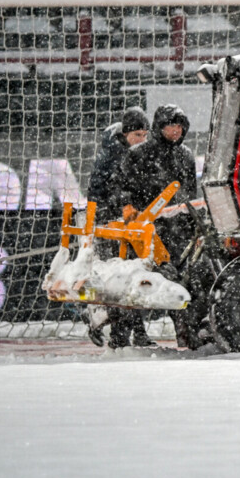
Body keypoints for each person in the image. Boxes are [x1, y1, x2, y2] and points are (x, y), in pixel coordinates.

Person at [108, 104, 199, 349]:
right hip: (143, 230)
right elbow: (119, 185)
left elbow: (190, 194)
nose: (176, 130)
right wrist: (127, 205)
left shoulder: (186, 155)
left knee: (181, 282)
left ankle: (189, 339)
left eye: (180, 126)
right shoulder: (137, 153)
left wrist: (193, 224)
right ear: (159, 127)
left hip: (178, 229)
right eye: (171, 125)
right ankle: (120, 339)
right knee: (134, 281)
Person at [81, 107, 149, 348]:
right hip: (111, 227)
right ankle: (111, 328)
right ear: (126, 133)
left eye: (144, 135)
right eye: (137, 135)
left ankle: (133, 333)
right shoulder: (113, 156)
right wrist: (115, 211)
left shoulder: (131, 154)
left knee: (133, 275)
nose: (141, 140)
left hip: (128, 226)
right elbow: (99, 192)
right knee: (118, 278)